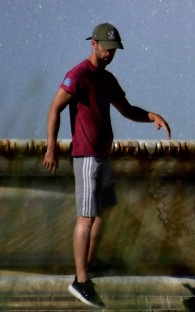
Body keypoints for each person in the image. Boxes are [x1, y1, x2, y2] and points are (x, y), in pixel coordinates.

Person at [44, 22, 172, 309]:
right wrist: (51, 147)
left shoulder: (108, 79)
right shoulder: (77, 75)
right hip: (86, 155)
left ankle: (90, 263)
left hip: (104, 155)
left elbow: (127, 110)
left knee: (103, 213)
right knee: (86, 218)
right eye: (107, 49)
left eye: (114, 51)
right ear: (94, 44)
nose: (110, 55)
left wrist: (153, 116)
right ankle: (80, 281)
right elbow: (55, 108)